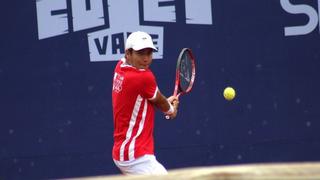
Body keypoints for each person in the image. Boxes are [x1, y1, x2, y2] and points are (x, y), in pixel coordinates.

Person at [111, 31, 179, 175]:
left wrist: (165, 104)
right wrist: (170, 110)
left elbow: (146, 97)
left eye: (149, 53)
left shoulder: (120, 66)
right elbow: (159, 100)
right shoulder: (143, 77)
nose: (146, 59)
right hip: (135, 156)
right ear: (128, 53)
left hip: (122, 151)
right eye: (141, 53)